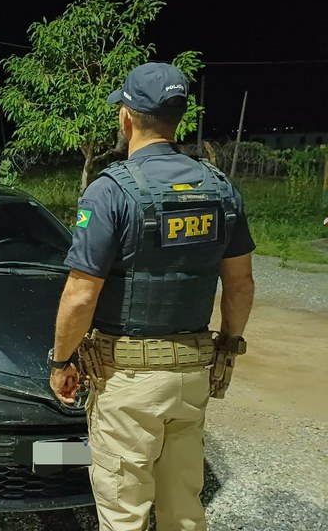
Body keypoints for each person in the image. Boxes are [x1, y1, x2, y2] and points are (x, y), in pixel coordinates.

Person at [48, 62, 256, 530]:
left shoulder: (110, 191)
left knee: (124, 512)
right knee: (183, 507)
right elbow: (240, 283)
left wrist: (61, 362)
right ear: (177, 117)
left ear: (126, 116)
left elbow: (81, 294)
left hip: (129, 381)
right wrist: (228, 346)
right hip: (192, 375)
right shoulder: (220, 188)